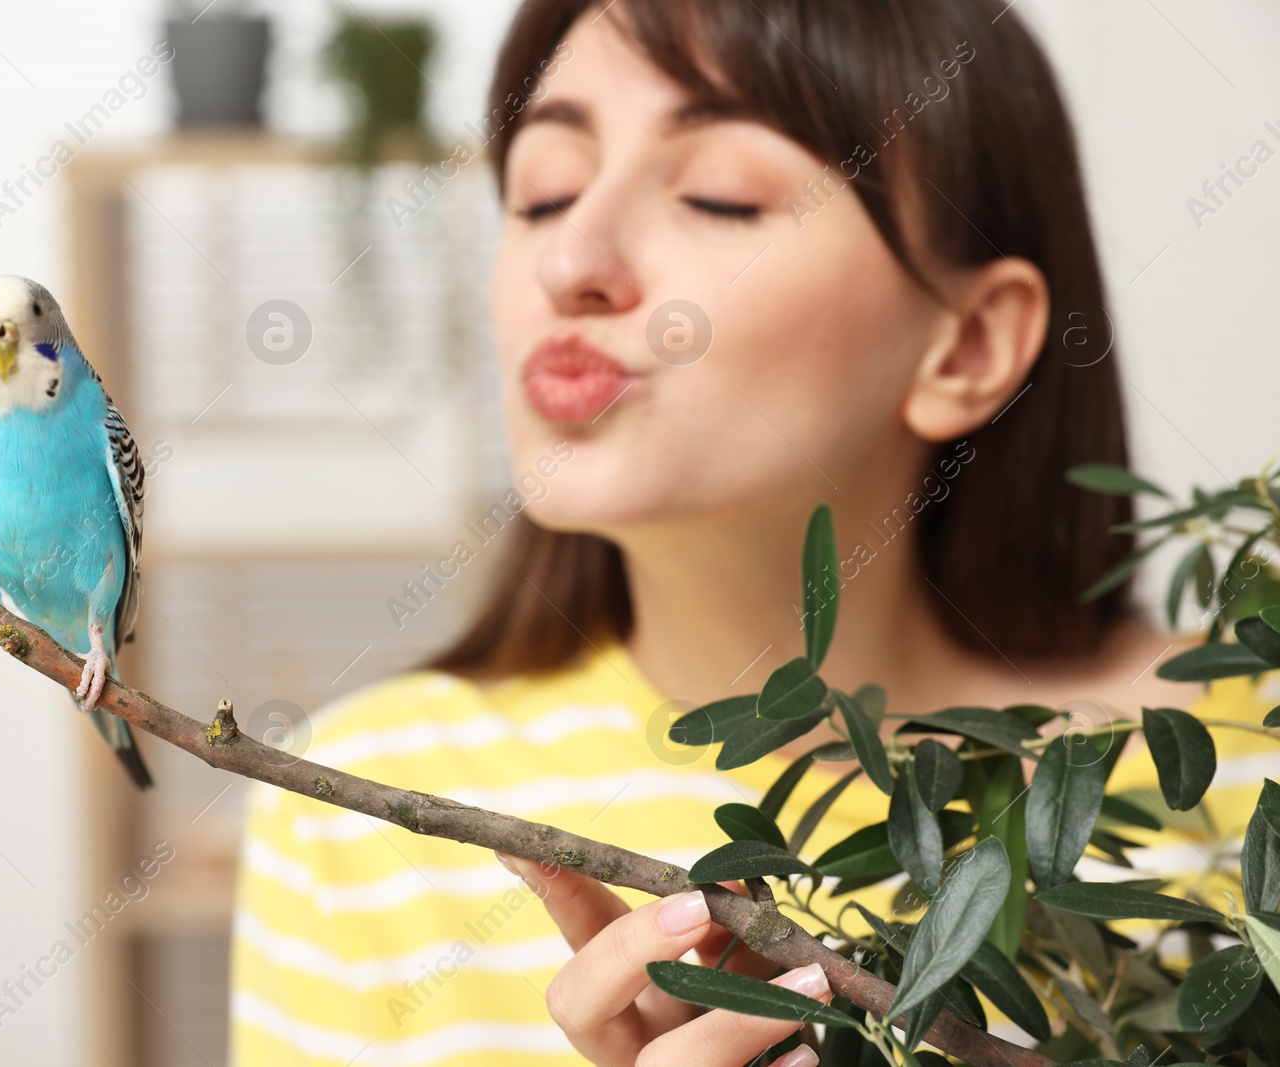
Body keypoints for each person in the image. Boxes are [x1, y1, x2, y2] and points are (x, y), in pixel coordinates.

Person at [228, 0, 1272, 1063]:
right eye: (542, 194)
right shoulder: (361, 804)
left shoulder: (1247, 758)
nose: (568, 261)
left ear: (963, 347)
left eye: (716, 196)